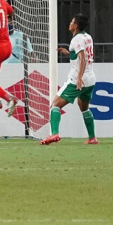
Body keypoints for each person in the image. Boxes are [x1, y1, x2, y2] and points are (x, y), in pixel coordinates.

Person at [40, 14, 97, 145]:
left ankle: (54, 134)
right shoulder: (87, 37)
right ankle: (92, 138)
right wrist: (67, 52)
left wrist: (78, 78)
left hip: (78, 79)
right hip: (90, 79)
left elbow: (82, 58)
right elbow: (81, 55)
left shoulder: (76, 40)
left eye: (72, 22)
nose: (69, 23)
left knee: (55, 105)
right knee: (84, 108)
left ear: (75, 26)